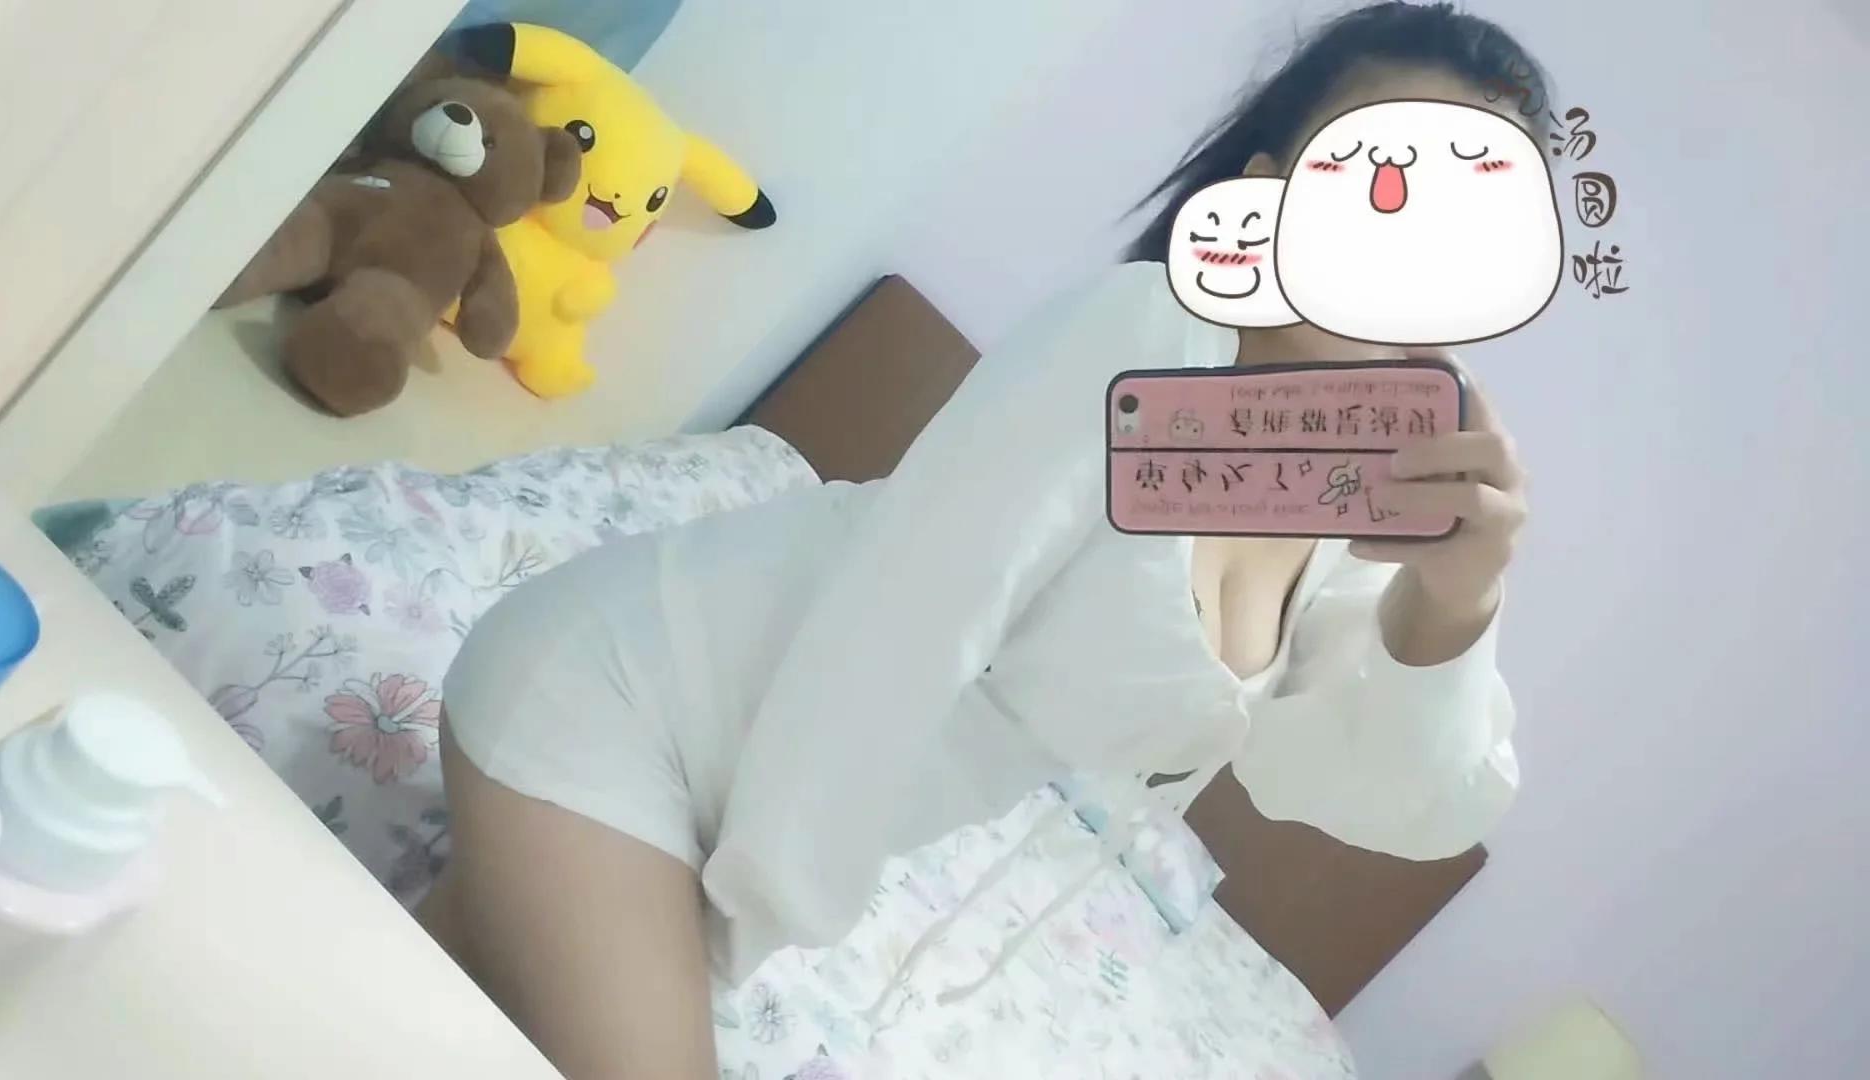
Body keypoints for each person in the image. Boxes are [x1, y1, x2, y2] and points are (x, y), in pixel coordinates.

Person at [417, 4, 1549, 1076]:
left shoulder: (1346, 514)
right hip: (627, 702)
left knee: (410, 1017)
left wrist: (1455, 606)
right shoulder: (1144, 340)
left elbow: (1377, 798)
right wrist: (735, 922)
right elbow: (905, 627)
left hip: (718, 804)